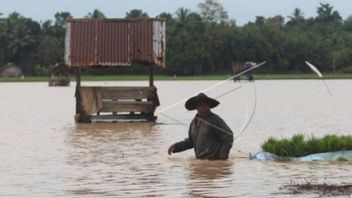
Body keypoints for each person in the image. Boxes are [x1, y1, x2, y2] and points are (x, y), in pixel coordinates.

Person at [168, 93, 234, 160]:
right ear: (196, 107)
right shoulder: (193, 123)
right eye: (200, 105)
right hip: (201, 160)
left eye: (205, 104)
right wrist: (176, 147)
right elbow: (190, 142)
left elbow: (228, 136)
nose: (203, 107)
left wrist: (223, 154)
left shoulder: (215, 120)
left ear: (209, 105)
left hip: (213, 160)